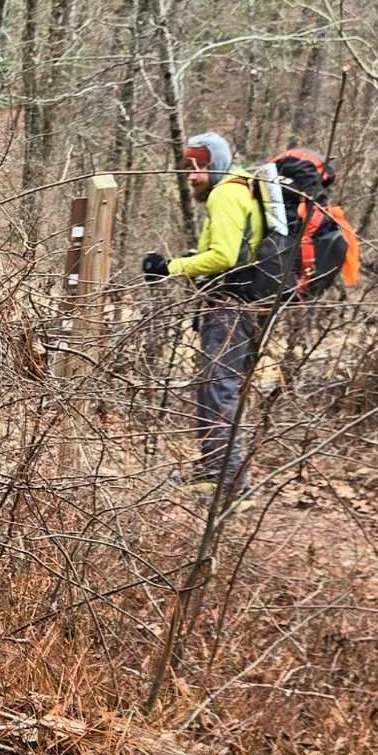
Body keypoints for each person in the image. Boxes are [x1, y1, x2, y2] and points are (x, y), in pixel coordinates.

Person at [141, 131, 276, 498]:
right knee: (213, 389)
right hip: (233, 304)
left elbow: (225, 257)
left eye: (198, 168)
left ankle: (229, 483)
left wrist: (170, 266)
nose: (191, 177)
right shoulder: (237, 190)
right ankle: (212, 470)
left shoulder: (227, 193)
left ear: (215, 165)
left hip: (232, 307)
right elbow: (232, 251)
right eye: (186, 169)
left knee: (219, 390)